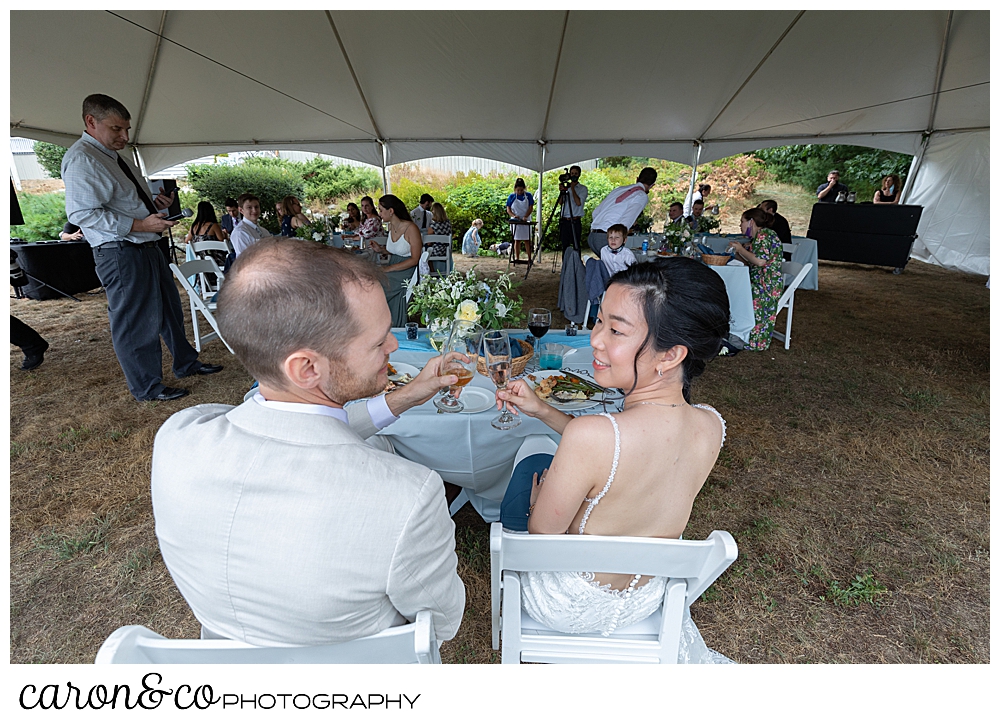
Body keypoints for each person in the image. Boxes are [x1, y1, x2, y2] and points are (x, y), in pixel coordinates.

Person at [151, 238, 466, 646]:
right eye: (379, 341)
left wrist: (406, 396)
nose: (393, 346)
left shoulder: (179, 437)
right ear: (306, 368)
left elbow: (297, 428)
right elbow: (442, 623)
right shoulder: (407, 495)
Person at [494, 258, 732, 661]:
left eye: (616, 330)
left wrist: (537, 500)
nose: (596, 340)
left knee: (528, 463)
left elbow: (542, 535)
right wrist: (543, 410)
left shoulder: (593, 436)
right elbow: (624, 453)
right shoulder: (712, 425)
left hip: (567, 606)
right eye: (598, 320)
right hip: (645, 597)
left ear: (671, 354)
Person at [61, 93, 222, 402]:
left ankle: (186, 363)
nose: (124, 136)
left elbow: (123, 202)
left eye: (127, 129)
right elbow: (82, 215)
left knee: (169, 310)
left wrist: (153, 206)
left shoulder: (111, 154)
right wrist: (140, 225)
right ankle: (147, 387)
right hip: (120, 251)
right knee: (135, 321)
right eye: (116, 129)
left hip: (144, 245)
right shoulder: (83, 158)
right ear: (90, 122)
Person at [728, 208, 783, 351]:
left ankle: (753, 341)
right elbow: (750, 262)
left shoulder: (764, 235)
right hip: (760, 281)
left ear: (751, 222)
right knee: (736, 290)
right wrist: (741, 252)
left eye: (742, 222)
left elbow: (760, 262)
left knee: (738, 293)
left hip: (767, 284)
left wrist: (741, 250)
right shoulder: (758, 237)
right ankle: (738, 333)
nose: (740, 226)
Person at [372, 194, 421, 327]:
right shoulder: (390, 227)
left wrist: (388, 269)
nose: (379, 213)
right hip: (394, 265)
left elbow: (415, 259)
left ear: (391, 211)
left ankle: (381, 322)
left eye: (381, 210)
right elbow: (397, 250)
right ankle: (379, 322)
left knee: (378, 284)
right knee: (372, 279)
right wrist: (381, 250)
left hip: (407, 270)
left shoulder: (411, 228)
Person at [588, 167, 658, 255]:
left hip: (593, 236)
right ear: (652, 185)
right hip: (608, 237)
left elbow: (595, 212)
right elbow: (626, 221)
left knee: (606, 267)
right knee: (618, 267)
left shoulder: (619, 189)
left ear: (637, 179)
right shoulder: (641, 195)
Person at [184, 201, 229, 270]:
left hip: (201, 261)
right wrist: (225, 235)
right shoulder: (213, 226)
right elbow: (222, 241)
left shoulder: (194, 226)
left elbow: (187, 241)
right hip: (216, 260)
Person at [559, 165, 588, 252]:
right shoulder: (566, 188)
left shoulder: (583, 189)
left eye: (576, 173)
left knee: (576, 246)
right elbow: (560, 202)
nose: (574, 175)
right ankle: (566, 265)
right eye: (572, 173)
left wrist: (572, 188)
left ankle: (577, 264)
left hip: (575, 221)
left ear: (579, 175)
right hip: (565, 220)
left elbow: (578, 202)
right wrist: (562, 191)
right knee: (565, 246)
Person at [506, 178, 535, 262]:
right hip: (516, 220)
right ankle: (517, 258)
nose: (519, 192)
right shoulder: (511, 196)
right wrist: (514, 216)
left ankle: (529, 258)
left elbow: (530, 207)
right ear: (515, 189)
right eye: (518, 190)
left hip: (526, 219)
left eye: (521, 190)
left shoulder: (528, 195)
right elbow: (508, 209)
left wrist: (526, 216)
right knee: (517, 240)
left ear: (524, 188)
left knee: (527, 240)